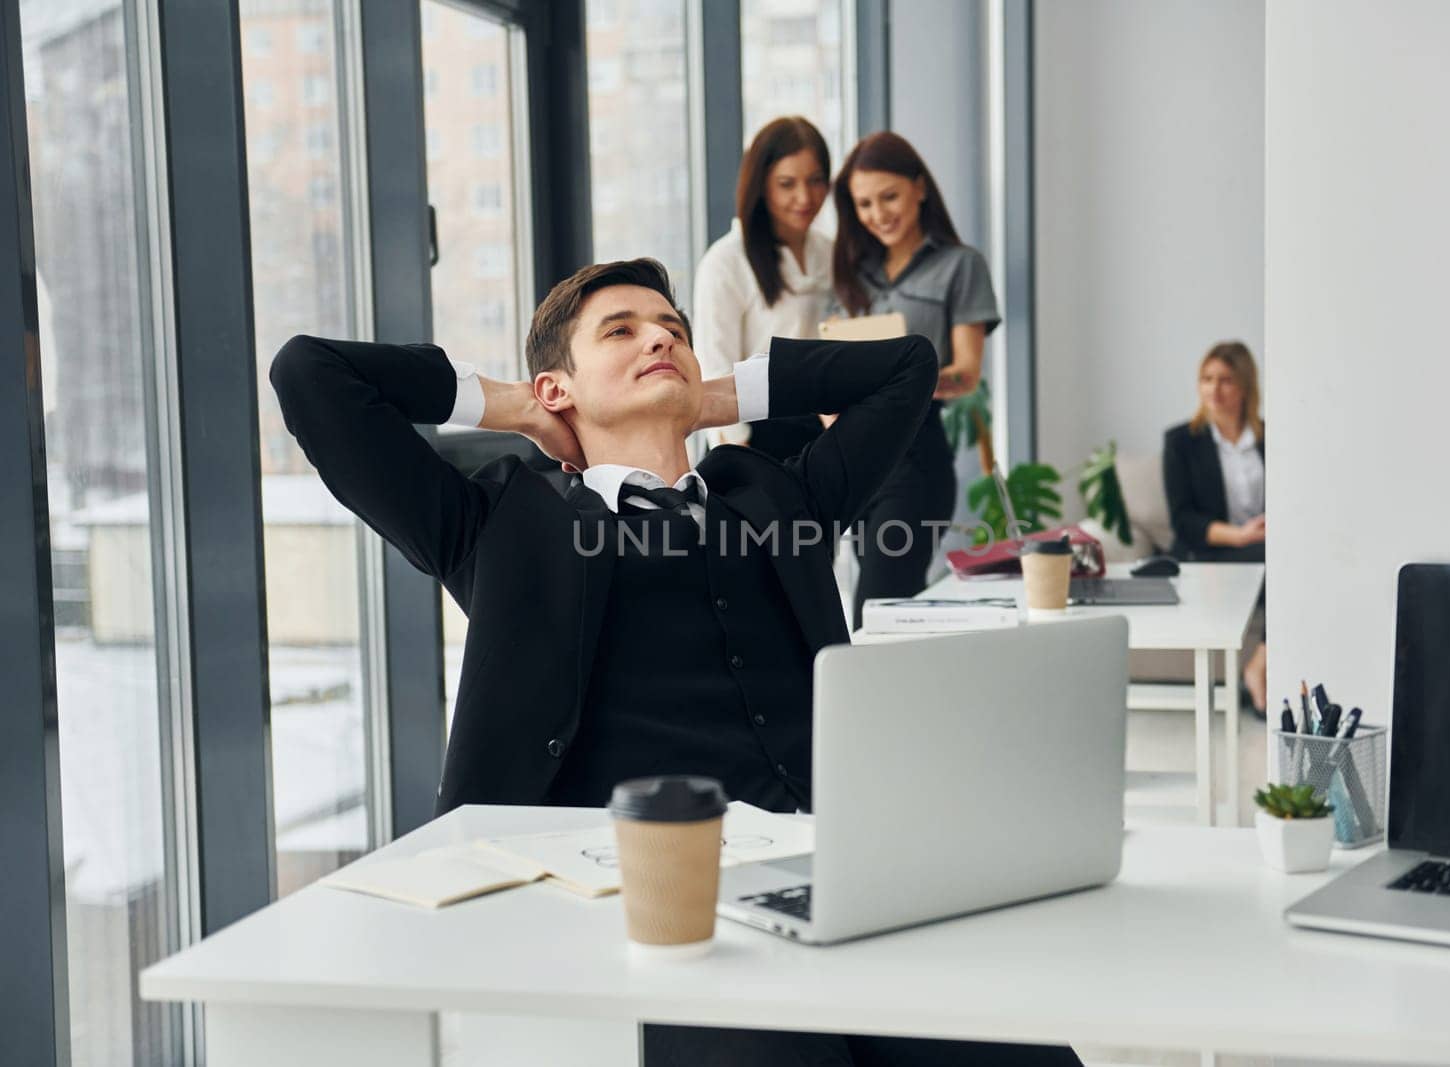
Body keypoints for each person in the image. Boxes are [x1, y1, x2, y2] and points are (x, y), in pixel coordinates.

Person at [270, 259, 1080, 1066]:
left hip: (823, 874)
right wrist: (513, 405)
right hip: (640, 909)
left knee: (1017, 1048)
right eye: (621, 331)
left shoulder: (778, 499)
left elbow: (907, 368)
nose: (660, 335)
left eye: (674, 331)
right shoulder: (499, 524)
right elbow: (309, 373)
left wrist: (718, 397)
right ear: (560, 387)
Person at [829, 131, 1000, 629]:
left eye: (889, 196)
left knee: (874, 610)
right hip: (854, 460)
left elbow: (967, 374)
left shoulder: (960, 266)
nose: (878, 213)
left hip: (915, 455)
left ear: (919, 189)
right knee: (894, 610)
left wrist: (898, 383)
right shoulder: (851, 276)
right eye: (864, 203)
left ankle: (867, 707)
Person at [694, 116, 833, 461]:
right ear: (762, 186)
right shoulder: (727, 261)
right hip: (755, 436)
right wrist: (736, 457)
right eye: (787, 184)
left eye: (816, 181)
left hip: (823, 434)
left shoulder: (828, 252)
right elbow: (715, 366)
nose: (804, 197)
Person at [1162, 341, 1267, 712]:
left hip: (1263, 546)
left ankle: (1260, 661)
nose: (1213, 389)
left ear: (1245, 386)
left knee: (1283, 560)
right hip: (1205, 549)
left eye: (1225, 380)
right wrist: (1239, 535)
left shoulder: (1271, 440)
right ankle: (1258, 668)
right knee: (1277, 564)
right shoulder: (1180, 442)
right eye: (1206, 379)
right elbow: (1182, 519)